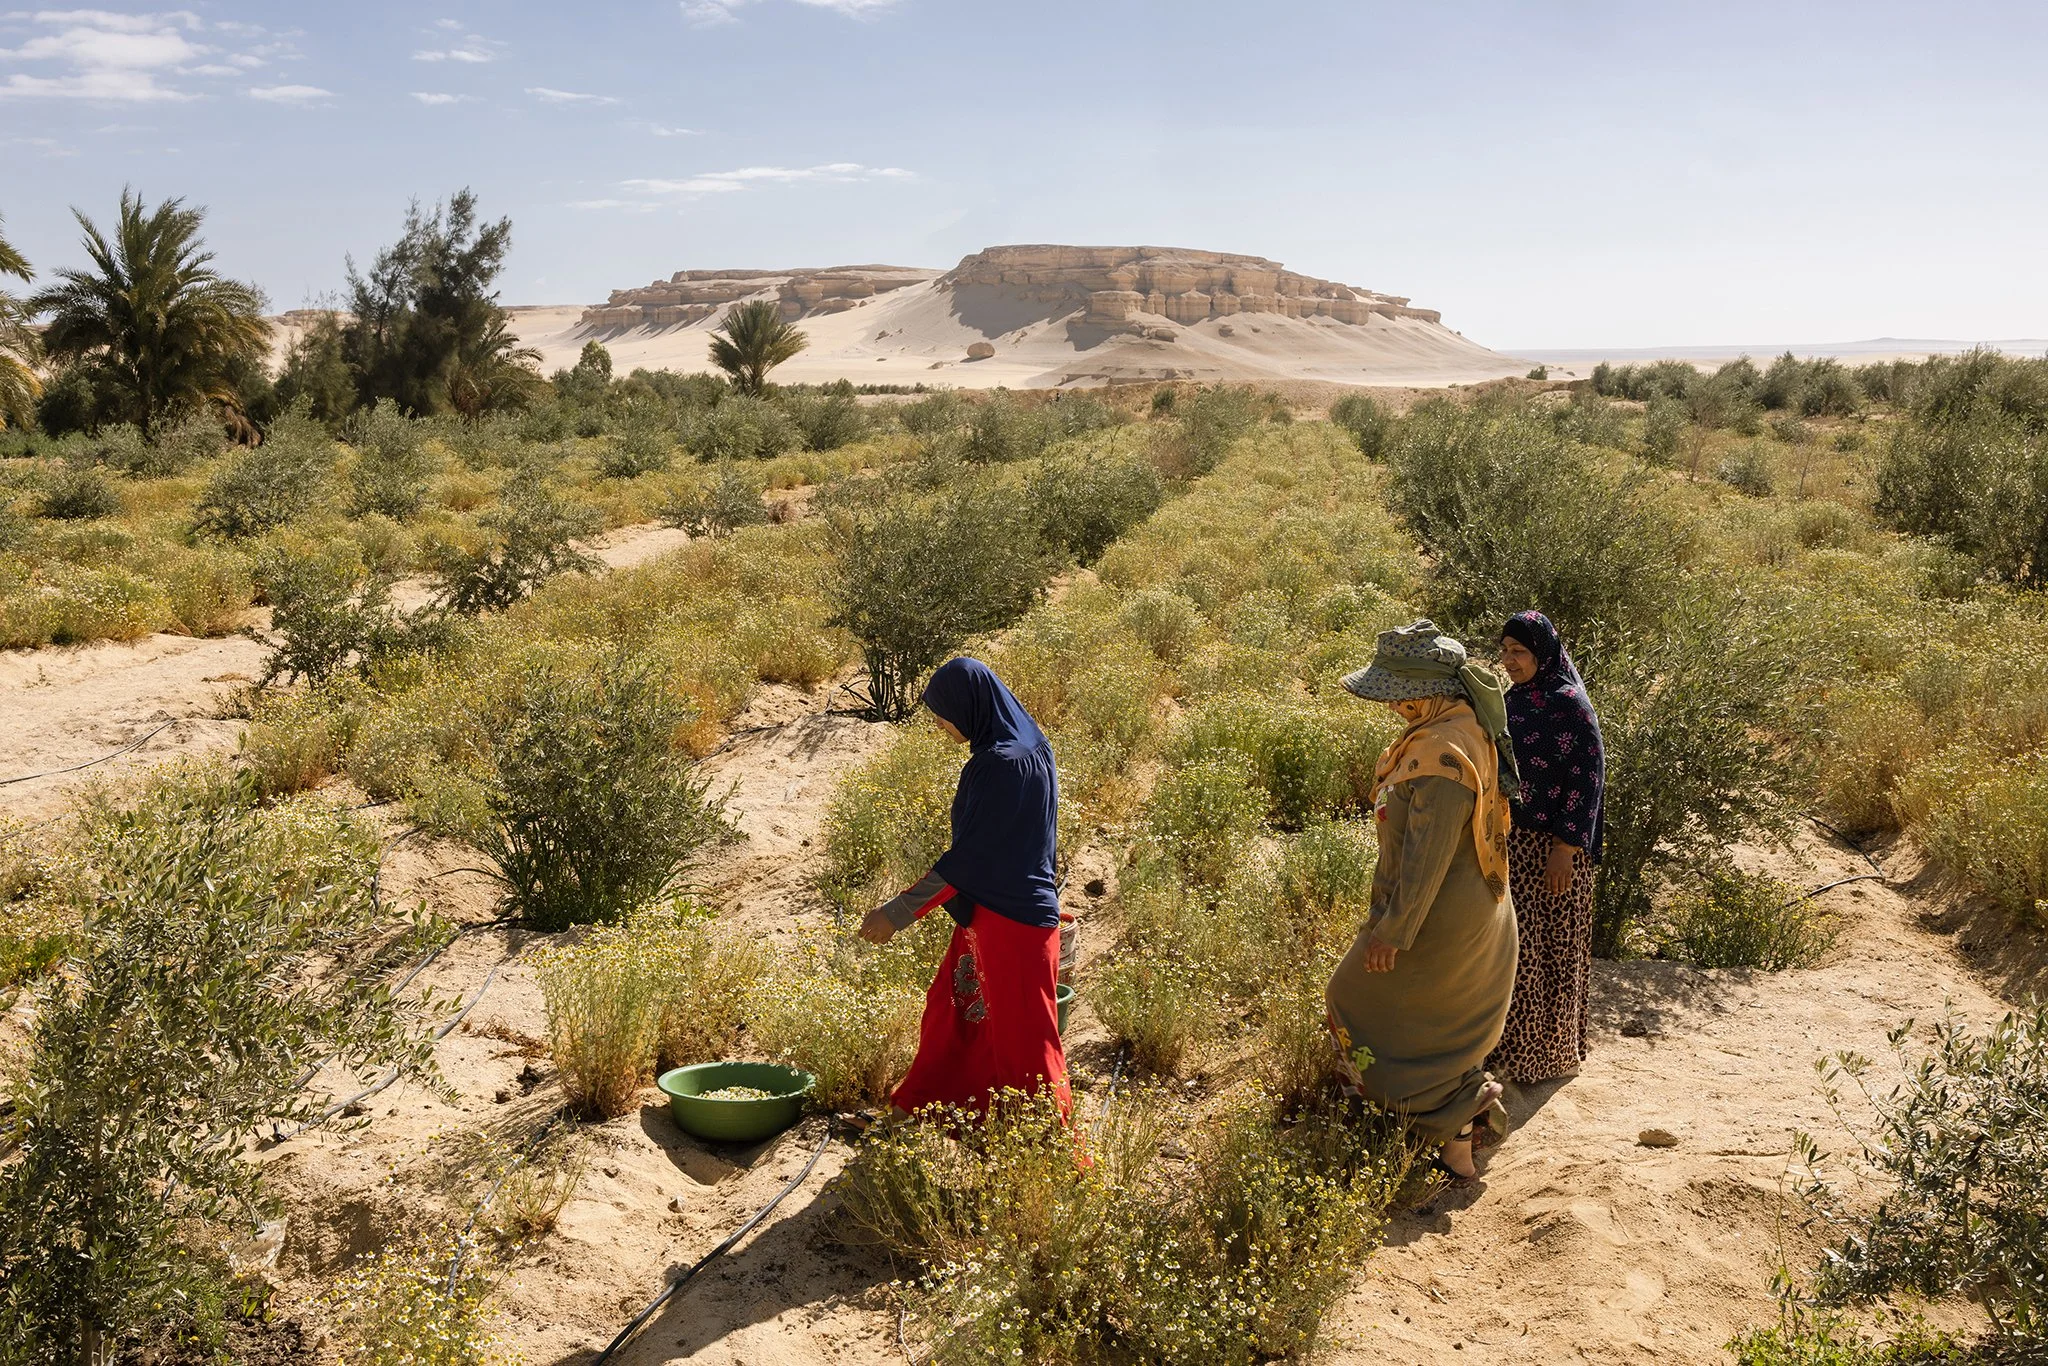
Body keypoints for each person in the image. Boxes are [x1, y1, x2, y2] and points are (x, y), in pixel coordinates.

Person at [1326, 620, 1519, 1183]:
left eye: (1398, 694)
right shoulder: (1462, 724)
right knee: (1438, 1032)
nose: (1393, 706)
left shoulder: (1441, 752)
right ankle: (1455, 1135)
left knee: (1355, 1003)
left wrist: (1393, 932)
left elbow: (1425, 859)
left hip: (1439, 919)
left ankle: (1455, 1124)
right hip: (1469, 911)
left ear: (1427, 691)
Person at [859, 657, 1070, 1121]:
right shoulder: (1030, 744)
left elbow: (967, 863)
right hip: (996, 913)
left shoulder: (999, 764)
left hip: (1014, 926)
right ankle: (914, 1111)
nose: (938, 724)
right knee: (952, 1013)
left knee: (1029, 1046)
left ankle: (1056, 1156)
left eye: (942, 711)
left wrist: (895, 914)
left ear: (969, 705)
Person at [1486, 610, 1605, 1085]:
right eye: (1505, 651)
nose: (1510, 660)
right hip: (1515, 840)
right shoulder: (1516, 698)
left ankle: (1548, 1056)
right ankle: (1513, 1052)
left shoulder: (1569, 703)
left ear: (1543, 652)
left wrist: (1565, 846)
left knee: (1552, 948)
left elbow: (1588, 777)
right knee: (1519, 947)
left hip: (1554, 849)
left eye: (1520, 651)